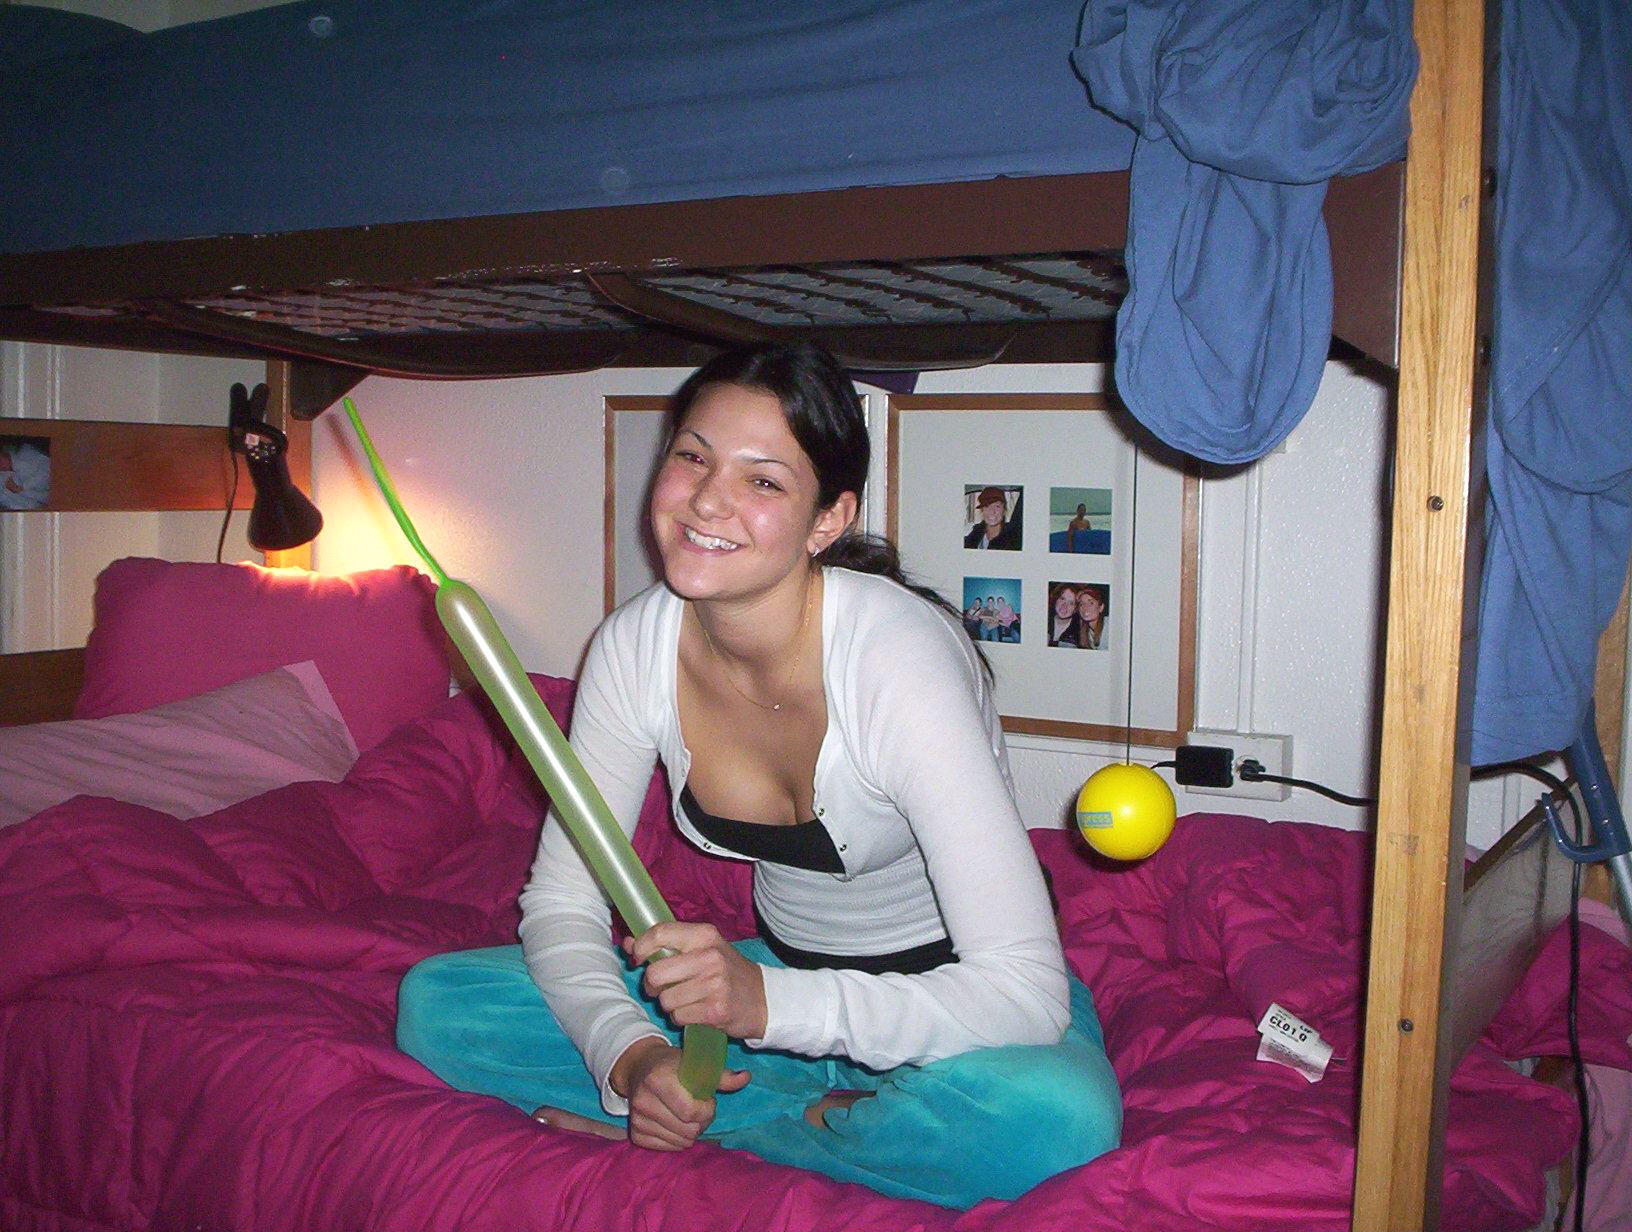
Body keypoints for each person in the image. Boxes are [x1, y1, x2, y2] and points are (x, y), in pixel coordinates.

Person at [395, 344, 1120, 1209]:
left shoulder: (897, 659)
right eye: (692, 456)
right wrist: (634, 1059)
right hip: (770, 995)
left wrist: (767, 1005)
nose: (708, 499)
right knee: (438, 1006)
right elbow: (562, 902)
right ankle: (834, 1125)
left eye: (763, 480)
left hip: (951, 1010)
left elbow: (1024, 994)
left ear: (827, 519)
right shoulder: (633, 648)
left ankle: (749, 1134)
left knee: (1057, 1123)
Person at [1076, 584, 1108, 650]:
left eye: (1091, 603)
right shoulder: (1086, 632)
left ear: (1101, 608)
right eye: (1081, 604)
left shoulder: (1109, 627)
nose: (1085, 607)